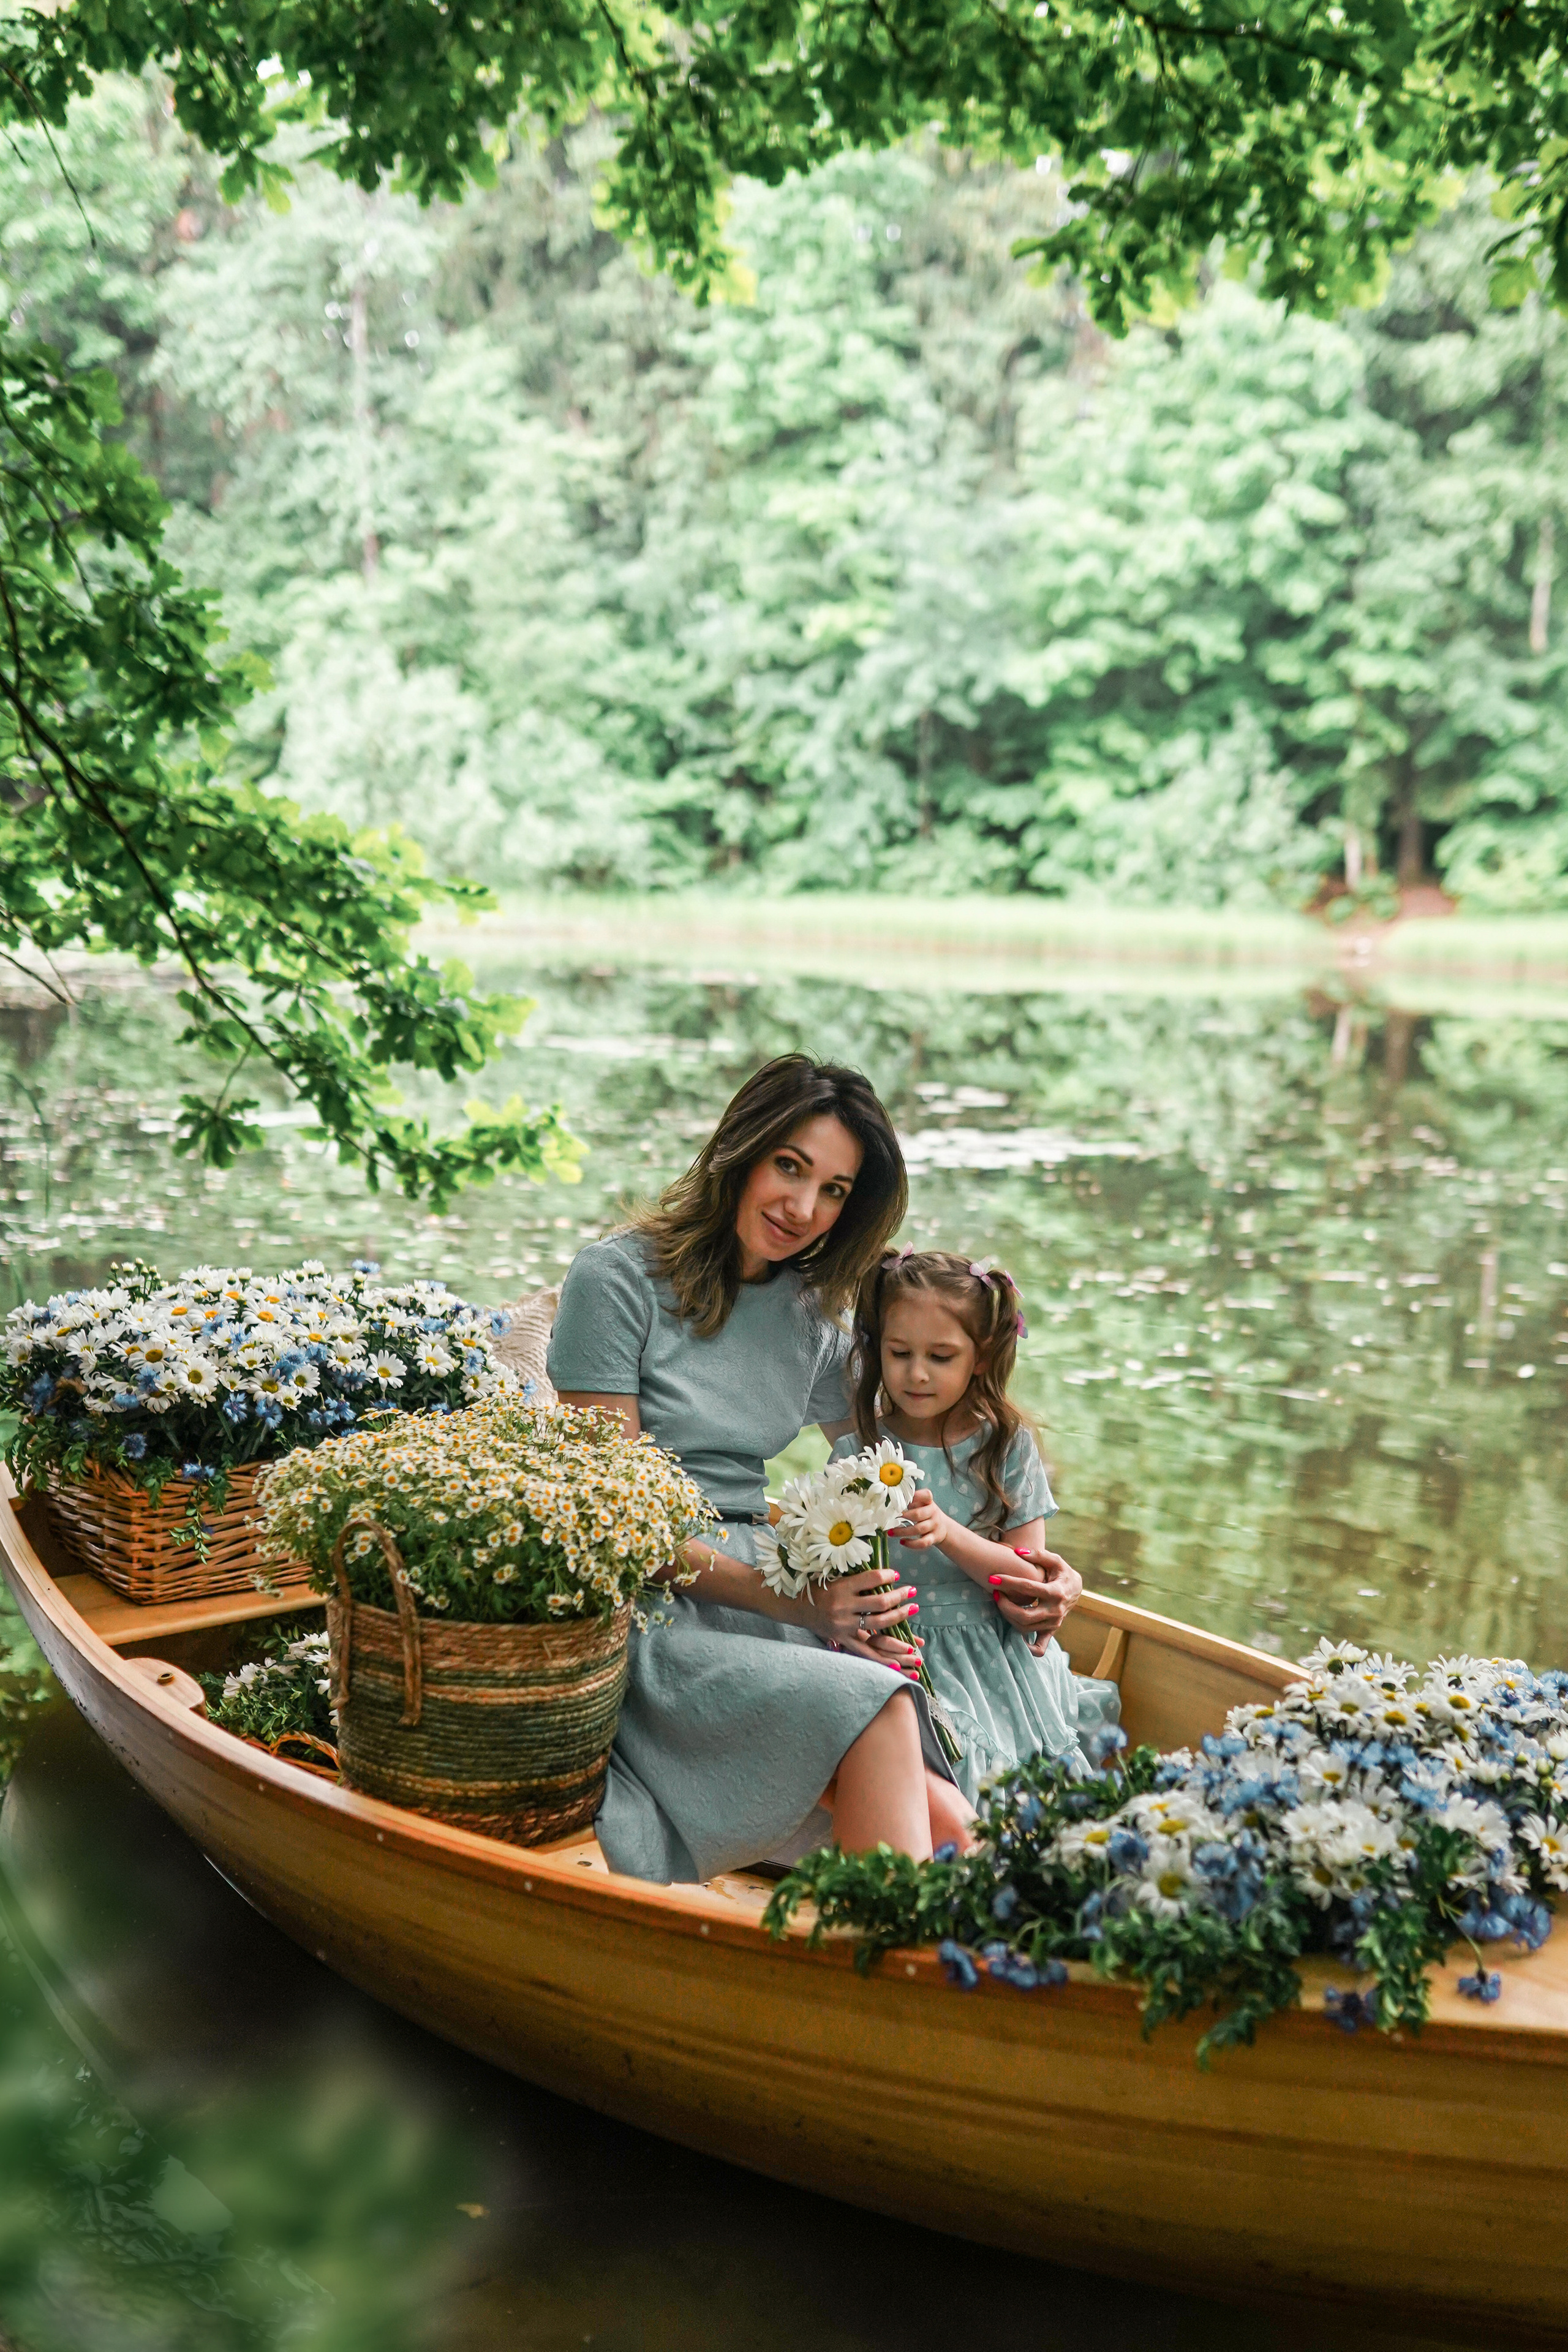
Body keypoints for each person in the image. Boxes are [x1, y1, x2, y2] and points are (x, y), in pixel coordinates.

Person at [548, 1054, 982, 1883]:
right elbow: (611, 1528)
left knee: (957, 1820)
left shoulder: (812, 1316)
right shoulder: (616, 1279)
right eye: (790, 1167)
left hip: (775, 1597)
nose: (803, 1208)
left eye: (834, 1190)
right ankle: (885, 1984)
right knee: (885, 1711)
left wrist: (1013, 1553)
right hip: (656, 1614)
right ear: (741, 1150)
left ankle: (937, 1988)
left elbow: (899, 1465)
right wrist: (806, 1601)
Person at [833, 1248, 1115, 1807]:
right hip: (896, 1648)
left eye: (941, 1356)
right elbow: (838, 1569)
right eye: (899, 1353)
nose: (916, 1372)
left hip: (989, 1657)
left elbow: (1028, 1576)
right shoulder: (856, 1452)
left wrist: (948, 1532)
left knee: (994, 1786)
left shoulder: (1005, 1448)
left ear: (980, 1358)